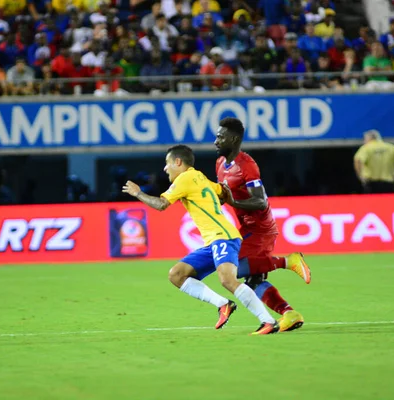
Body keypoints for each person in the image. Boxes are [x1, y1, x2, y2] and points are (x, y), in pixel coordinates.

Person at [122, 145, 280, 335]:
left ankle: (268, 321)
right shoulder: (199, 177)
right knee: (177, 274)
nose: (165, 168)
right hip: (214, 241)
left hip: (223, 238)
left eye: (167, 163)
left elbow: (162, 204)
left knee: (227, 280)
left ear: (178, 162)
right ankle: (223, 304)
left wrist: (138, 193)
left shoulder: (184, 179)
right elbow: (222, 192)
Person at [214, 117, 311, 332]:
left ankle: (287, 261)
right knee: (253, 281)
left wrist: (232, 201)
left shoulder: (246, 165)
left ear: (233, 139)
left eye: (220, 137)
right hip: (246, 227)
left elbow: (259, 200)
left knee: (233, 267)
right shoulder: (220, 164)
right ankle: (290, 314)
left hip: (260, 227)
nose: (216, 141)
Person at [354, 129, 394, 194]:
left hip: (371, 184)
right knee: (389, 203)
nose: (364, 141)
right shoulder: (390, 147)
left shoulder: (366, 148)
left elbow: (358, 160)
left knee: (372, 203)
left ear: (369, 138)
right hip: (389, 184)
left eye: (365, 139)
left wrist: (360, 175)